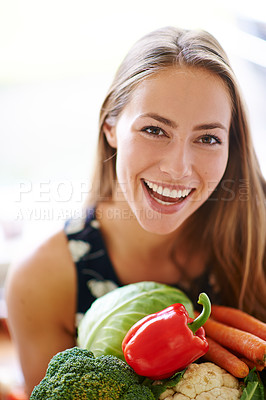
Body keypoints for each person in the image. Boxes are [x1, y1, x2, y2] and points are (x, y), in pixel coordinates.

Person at [5, 26, 266, 397]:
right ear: (111, 127)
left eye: (207, 138)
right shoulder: (42, 278)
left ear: (231, 146)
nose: (178, 168)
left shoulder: (259, 237)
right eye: (155, 130)